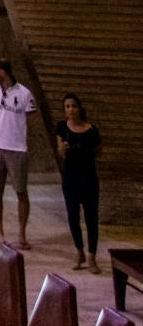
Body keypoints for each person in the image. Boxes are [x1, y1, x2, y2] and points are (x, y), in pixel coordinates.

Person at [0, 54, 37, 245]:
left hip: (16, 148)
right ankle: (0, 231)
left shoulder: (24, 93)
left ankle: (22, 233)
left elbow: (30, 121)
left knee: (20, 191)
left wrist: (22, 141)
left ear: (2, 71)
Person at [56, 93, 102, 271]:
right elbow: (60, 152)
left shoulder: (91, 130)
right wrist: (63, 148)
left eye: (73, 105)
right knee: (73, 216)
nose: (71, 109)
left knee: (91, 218)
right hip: (71, 179)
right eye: (67, 106)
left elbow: (99, 151)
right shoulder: (62, 128)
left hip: (89, 178)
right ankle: (79, 251)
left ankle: (92, 255)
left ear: (80, 107)